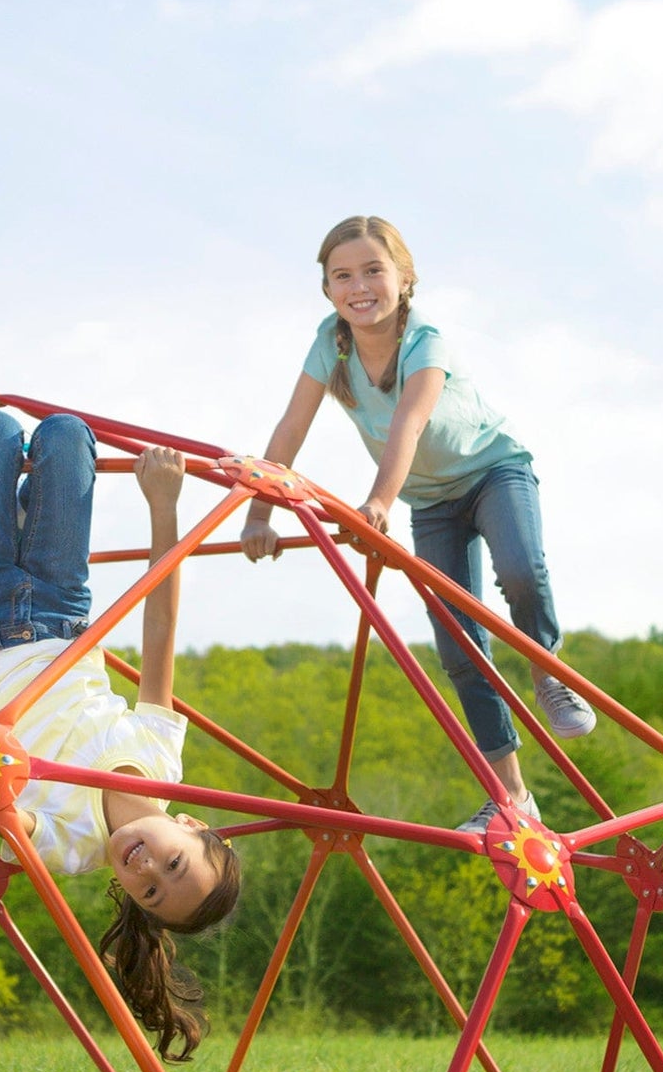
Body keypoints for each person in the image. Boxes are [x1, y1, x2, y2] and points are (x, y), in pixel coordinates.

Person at [239, 214, 597, 833]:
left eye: (374, 270)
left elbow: (408, 421)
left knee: (521, 571)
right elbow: (291, 427)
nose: (360, 286)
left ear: (404, 278)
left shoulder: (426, 338)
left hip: (492, 472)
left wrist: (378, 501)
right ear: (327, 289)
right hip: (432, 502)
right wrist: (259, 511)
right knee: (457, 642)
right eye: (342, 275)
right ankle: (512, 798)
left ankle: (548, 668)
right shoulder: (332, 343)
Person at [0, 399, 242, 1060]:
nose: (146, 869)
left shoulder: (70, 849)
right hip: (61, 609)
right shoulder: (161, 758)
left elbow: (4, 826)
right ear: (189, 825)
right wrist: (163, 506)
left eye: (150, 893)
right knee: (67, 435)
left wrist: (2, 823)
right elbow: (160, 624)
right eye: (173, 863)